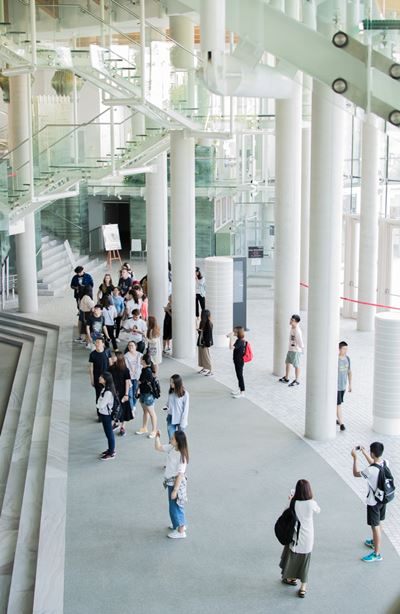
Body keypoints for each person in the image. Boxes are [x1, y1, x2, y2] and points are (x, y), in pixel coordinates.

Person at [279, 479, 320, 598]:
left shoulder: (294, 502)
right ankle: (303, 588)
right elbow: (318, 510)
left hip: (295, 536)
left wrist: (290, 499)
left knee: (292, 557)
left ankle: (291, 578)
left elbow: (284, 513)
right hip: (308, 537)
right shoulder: (311, 503)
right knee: (305, 562)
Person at [351, 442, 388, 563]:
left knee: (375, 526)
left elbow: (356, 473)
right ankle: (374, 541)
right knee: (379, 522)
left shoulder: (370, 470)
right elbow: (374, 464)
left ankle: (377, 553)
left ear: (373, 453)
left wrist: (355, 458)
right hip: (383, 499)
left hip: (373, 502)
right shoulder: (385, 463)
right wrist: (364, 452)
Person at [154, 429, 189, 539]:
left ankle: (181, 530)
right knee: (175, 506)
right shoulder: (172, 448)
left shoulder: (182, 457)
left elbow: (180, 475)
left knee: (175, 507)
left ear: (178, 441)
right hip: (171, 482)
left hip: (176, 484)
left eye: (173, 438)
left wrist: (175, 490)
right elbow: (158, 448)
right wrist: (157, 437)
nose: (170, 439)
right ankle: (177, 524)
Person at [136, 353, 158, 438]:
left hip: (148, 395)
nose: (140, 360)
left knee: (151, 412)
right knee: (145, 411)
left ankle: (154, 430)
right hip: (143, 393)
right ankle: (144, 428)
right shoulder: (144, 369)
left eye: (141, 359)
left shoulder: (147, 371)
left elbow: (140, 381)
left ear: (144, 361)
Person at [110, 353, 132, 436]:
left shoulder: (125, 369)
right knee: (115, 408)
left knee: (123, 409)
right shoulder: (111, 368)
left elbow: (127, 382)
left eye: (113, 356)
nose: (112, 357)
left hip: (122, 392)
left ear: (118, 358)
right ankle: (116, 423)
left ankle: (123, 426)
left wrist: (126, 394)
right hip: (114, 392)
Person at [96, 372, 117, 460]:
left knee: (109, 434)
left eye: (101, 377)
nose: (99, 378)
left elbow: (101, 405)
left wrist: (98, 404)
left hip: (106, 415)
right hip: (105, 414)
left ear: (105, 380)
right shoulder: (106, 388)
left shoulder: (108, 392)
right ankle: (110, 449)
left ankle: (111, 452)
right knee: (108, 433)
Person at [279, 314, 304, 387]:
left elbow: (300, 342)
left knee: (296, 365)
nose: (290, 321)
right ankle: (286, 377)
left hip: (296, 351)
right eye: (291, 319)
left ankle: (297, 380)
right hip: (291, 349)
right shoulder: (292, 328)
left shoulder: (297, 331)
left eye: (292, 320)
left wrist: (301, 350)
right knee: (287, 362)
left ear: (296, 322)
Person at [88, 338, 112, 413]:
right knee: (98, 395)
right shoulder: (92, 354)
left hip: (107, 378)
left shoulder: (107, 351)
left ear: (103, 344)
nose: (96, 344)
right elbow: (91, 367)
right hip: (98, 378)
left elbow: (110, 364)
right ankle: (99, 413)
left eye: (98, 342)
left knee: (108, 394)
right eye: (96, 342)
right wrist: (92, 379)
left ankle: (108, 410)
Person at [165, 374, 189, 441]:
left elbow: (185, 410)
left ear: (177, 383)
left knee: (180, 441)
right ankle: (169, 451)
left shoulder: (185, 394)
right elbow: (168, 404)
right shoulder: (171, 392)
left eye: (172, 382)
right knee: (171, 439)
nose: (171, 383)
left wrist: (183, 423)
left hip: (180, 419)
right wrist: (165, 408)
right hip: (170, 417)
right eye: (170, 381)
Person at [337, 341, 352, 431]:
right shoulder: (336, 359)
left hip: (343, 386)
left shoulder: (347, 359)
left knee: (338, 403)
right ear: (339, 349)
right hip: (336, 387)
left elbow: (349, 372)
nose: (345, 350)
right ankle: (341, 423)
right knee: (338, 404)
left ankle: (337, 418)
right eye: (344, 349)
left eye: (346, 349)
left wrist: (350, 384)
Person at [124, 340, 142, 414]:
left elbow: (142, 365)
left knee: (136, 393)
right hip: (129, 377)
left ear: (136, 347)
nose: (130, 347)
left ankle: (133, 405)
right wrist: (131, 371)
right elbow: (126, 367)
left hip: (138, 377)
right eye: (129, 345)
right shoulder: (126, 356)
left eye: (132, 345)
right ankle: (131, 409)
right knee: (130, 394)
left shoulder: (140, 355)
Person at [229, 327, 247, 398]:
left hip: (239, 362)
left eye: (235, 332)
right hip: (237, 361)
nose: (234, 333)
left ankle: (242, 392)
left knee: (240, 376)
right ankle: (240, 389)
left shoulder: (240, 341)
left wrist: (230, 338)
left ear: (238, 333)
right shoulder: (239, 340)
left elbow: (231, 347)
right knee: (238, 376)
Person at [197, 309, 214, 376]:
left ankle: (210, 370)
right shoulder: (202, 322)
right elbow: (200, 333)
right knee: (201, 356)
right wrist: (199, 330)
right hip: (201, 341)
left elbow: (209, 335)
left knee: (206, 356)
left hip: (205, 343)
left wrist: (206, 344)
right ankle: (204, 368)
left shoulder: (209, 324)